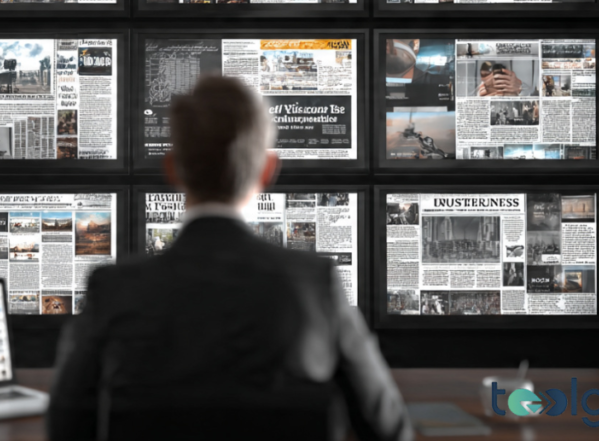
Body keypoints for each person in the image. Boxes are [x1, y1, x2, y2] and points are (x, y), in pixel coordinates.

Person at [49, 76, 412, 441]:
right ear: (268, 169)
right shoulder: (315, 282)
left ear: (172, 168)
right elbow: (387, 427)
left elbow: (66, 427)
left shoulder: (113, 289)